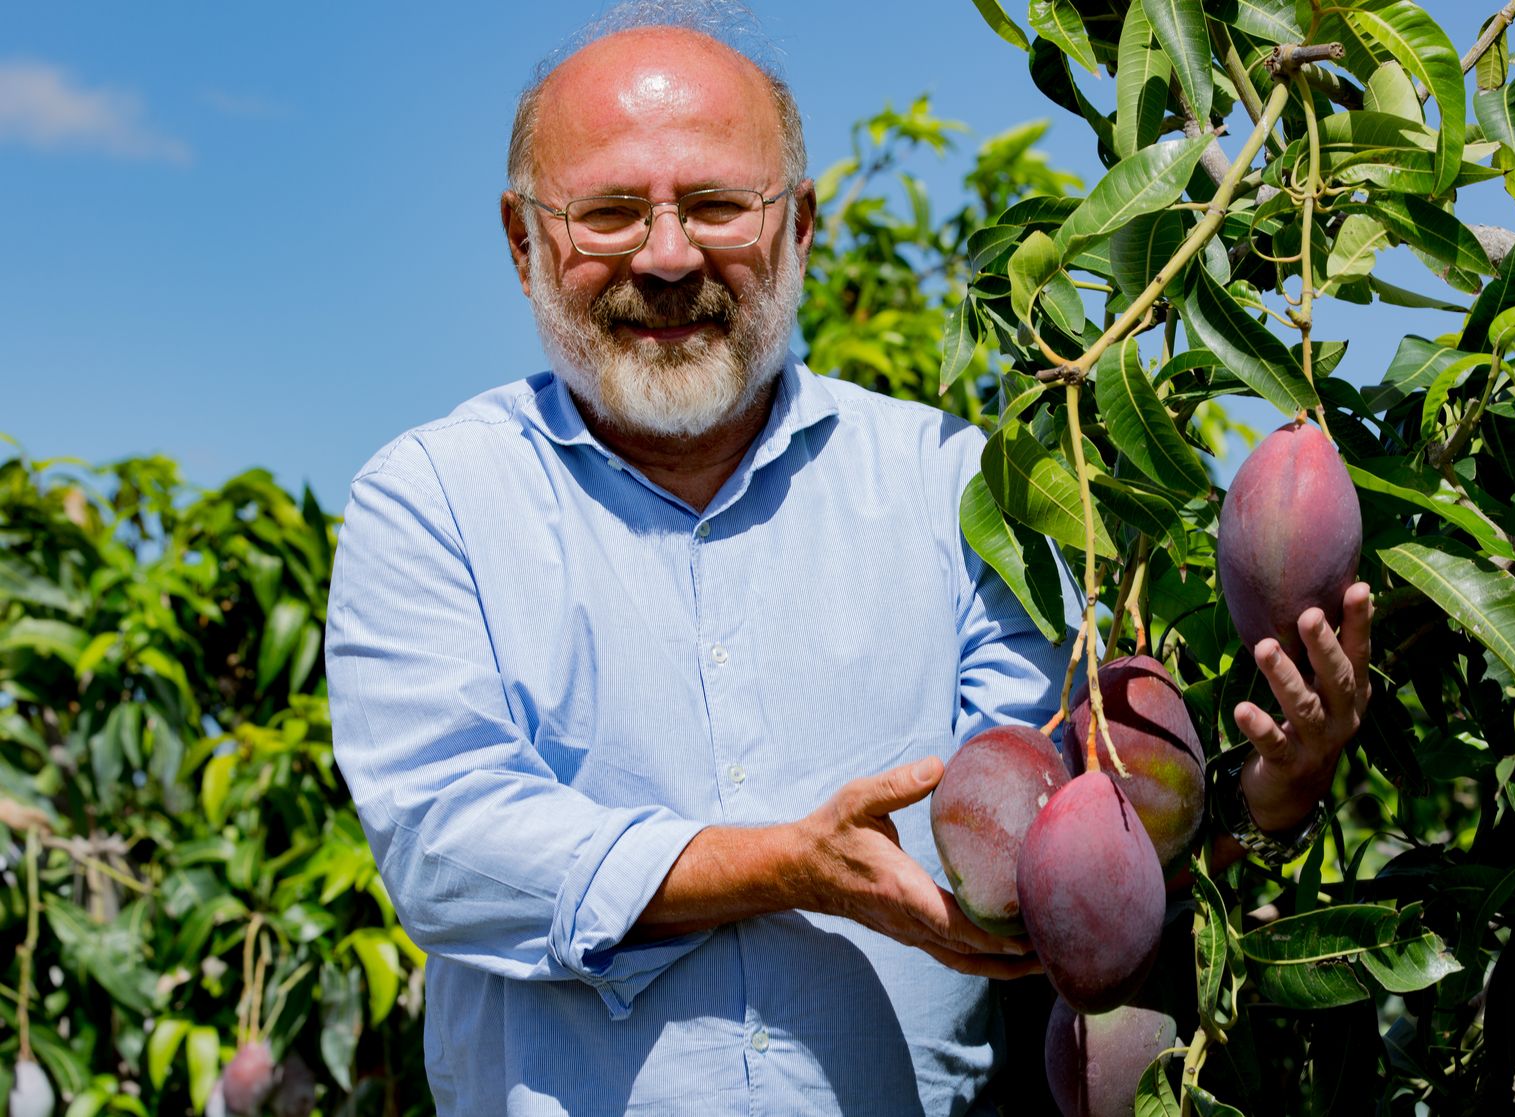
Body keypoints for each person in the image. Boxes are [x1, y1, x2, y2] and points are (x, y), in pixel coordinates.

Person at [325, 3, 1372, 1114]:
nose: (670, 255)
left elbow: (1065, 848)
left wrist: (1266, 790)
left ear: (803, 226)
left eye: (720, 205)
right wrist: (780, 863)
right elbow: (448, 847)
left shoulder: (958, 489)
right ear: (523, 240)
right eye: (611, 213)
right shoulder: (433, 502)